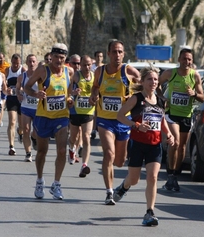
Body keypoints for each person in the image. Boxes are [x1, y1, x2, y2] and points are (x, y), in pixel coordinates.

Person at [113, 65, 174, 226]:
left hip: (154, 145)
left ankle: (150, 212)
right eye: (150, 79)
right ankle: (124, 187)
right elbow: (120, 116)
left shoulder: (161, 100)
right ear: (143, 81)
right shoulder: (136, 98)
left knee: (153, 177)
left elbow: (161, 121)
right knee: (134, 179)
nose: (153, 82)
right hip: (138, 144)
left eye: (155, 79)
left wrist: (168, 134)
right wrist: (135, 125)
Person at [89, 40, 140, 205]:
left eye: (120, 52)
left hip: (123, 120)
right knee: (109, 154)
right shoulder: (100, 71)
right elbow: (95, 87)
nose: (117, 55)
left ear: (123, 54)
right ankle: (109, 192)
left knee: (119, 161)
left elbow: (143, 86)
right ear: (108, 54)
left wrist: (132, 97)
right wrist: (94, 94)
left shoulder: (129, 71)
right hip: (105, 120)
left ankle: (119, 187)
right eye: (114, 52)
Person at [24, 43, 74, 200]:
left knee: (61, 151)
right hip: (43, 117)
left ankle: (56, 184)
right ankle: (39, 180)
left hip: (61, 116)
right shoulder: (42, 70)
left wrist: (71, 98)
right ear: (50, 56)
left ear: (65, 58)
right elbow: (26, 87)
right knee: (42, 151)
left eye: (62, 57)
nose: (58, 60)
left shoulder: (69, 71)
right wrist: (35, 94)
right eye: (56, 57)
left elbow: (70, 90)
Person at [158, 48, 204, 191]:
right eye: (184, 58)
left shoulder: (195, 76)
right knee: (176, 142)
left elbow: (203, 97)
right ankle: (171, 175)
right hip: (171, 114)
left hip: (186, 115)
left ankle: (174, 175)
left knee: (182, 147)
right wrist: (162, 98)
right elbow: (156, 85)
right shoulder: (170, 74)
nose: (187, 61)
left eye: (189, 59)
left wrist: (194, 94)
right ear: (179, 60)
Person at [68, 55, 95, 177]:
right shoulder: (76, 76)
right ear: (80, 65)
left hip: (88, 111)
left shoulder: (94, 77)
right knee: (73, 137)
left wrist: (96, 98)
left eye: (89, 65)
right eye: (84, 65)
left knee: (86, 136)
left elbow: (98, 92)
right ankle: (71, 149)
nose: (87, 67)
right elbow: (67, 92)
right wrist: (73, 93)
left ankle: (84, 164)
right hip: (75, 110)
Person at [16, 54, 39, 162]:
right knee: (25, 130)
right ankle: (28, 153)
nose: (31, 64)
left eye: (33, 61)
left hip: (38, 108)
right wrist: (19, 93)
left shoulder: (41, 77)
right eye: (29, 61)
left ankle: (34, 138)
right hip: (26, 106)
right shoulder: (22, 76)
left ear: (37, 63)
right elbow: (17, 88)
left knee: (36, 131)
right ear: (26, 62)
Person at [5, 53, 26, 156]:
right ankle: (11, 146)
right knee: (12, 121)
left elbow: (27, 84)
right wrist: (6, 90)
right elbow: (4, 85)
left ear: (20, 63)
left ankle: (20, 132)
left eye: (17, 63)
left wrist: (21, 89)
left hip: (21, 100)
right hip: (11, 99)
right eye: (13, 63)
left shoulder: (23, 71)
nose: (15, 65)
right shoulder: (7, 70)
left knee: (21, 125)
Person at [0, 52, 10, 131]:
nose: (0, 59)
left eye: (1, 58)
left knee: (1, 105)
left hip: (4, 87)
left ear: (4, 58)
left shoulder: (7, 66)